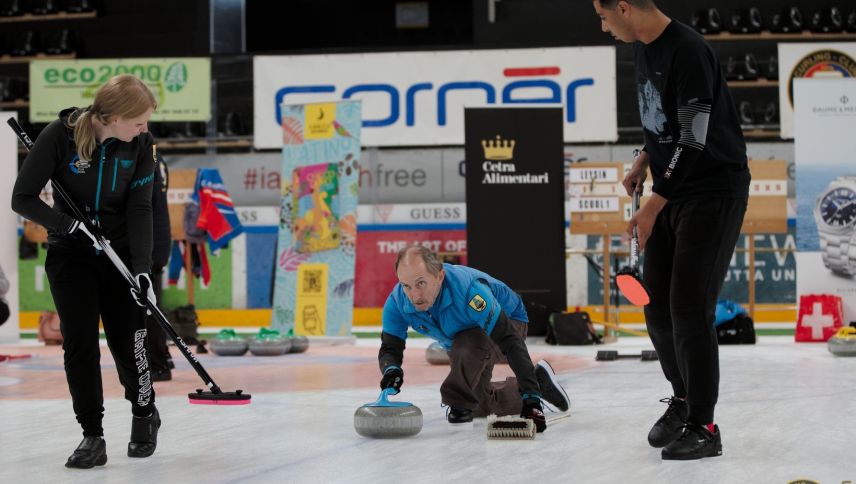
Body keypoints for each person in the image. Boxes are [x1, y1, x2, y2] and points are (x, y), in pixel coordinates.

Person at [592, 0, 750, 460]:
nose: (603, 26)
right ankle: (683, 400)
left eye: (603, 16)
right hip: (671, 188)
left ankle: (705, 424)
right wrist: (644, 157)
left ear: (624, 7)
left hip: (713, 190)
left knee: (688, 306)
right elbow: (665, 120)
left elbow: (694, 135)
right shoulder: (643, 47)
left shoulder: (689, 49)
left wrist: (652, 207)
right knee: (657, 306)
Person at [11, 74, 162, 468]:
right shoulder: (59, 136)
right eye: (139, 122)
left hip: (122, 254)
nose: (144, 129)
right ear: (112, 117)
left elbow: (140, 208)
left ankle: (144, 411)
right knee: (79, 343)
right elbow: (22, 198)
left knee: (128, 342)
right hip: (71, 254)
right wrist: (67, 226)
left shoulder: (142, 145)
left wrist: (143, 271)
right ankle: (92, 434)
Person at [378, 245, 570, 432]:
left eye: (421, 283)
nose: (415, 295)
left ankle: (462, 397)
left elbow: (509, 339)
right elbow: (390, 347)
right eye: (406, 286)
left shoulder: (470, 292)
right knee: (476, 403)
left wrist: (532, 399)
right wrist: (391, 370)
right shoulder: (397, 303)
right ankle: (539, 382)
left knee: (466, 354)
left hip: (510, 322)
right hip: (461, 343)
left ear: (440, 276)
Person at [145, 148, 174, 382]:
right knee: (151, 303)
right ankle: (160, 356)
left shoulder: (144, 156)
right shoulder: (157, 156)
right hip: (157, 239)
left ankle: (157, 363)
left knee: (147, 307)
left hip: (150, 242)